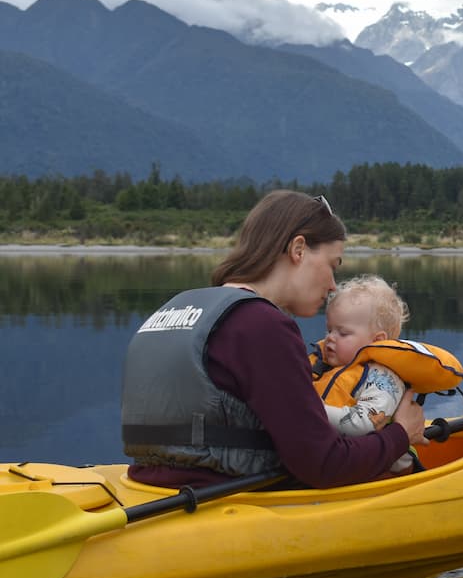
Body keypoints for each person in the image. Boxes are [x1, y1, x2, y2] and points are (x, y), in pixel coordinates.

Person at [121, 190, 427, 489]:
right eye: (332, 265)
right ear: (298, 249)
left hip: (150, 485)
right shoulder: (262, 325)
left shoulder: (179, 306)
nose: (334, 286)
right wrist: (400, 434)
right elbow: (324, 465)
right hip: (217, 495)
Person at [314, 274, 417, 473]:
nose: (330, 339)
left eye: (342, 333)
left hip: (382, 473)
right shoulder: (321, 366)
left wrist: (308, 409)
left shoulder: (382, 377)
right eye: (329, 330)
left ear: (376, 341)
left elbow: (365, 423)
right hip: (334, 459)